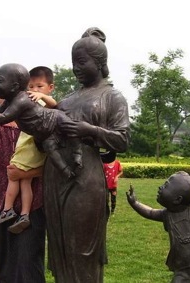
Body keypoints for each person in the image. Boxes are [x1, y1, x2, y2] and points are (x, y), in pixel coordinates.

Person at [43, 27, 130, 283]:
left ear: (100, 63)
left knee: (82, 249)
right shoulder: (67, 100)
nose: (76, 68)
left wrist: (88, 130)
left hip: (85, 179)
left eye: (82, 62)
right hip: (55, 176)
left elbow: (122, 139)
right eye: (73, 63)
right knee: (60, 248)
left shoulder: (112, 97)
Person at [0, 63, 83, 180]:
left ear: (15, 87)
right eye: (31, 86)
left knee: (69, 131)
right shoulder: (8, 107)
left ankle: (77, 154)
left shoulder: (28, 103)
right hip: (40, 138)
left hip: (52, 125)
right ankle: (68, 170)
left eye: (0, 81)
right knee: (51, 148)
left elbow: (5, 116)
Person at [0, 92, 46, 282]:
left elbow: (52, 165)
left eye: (13, 93)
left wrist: (25, 174)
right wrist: (5, 109)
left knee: (29, 261)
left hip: (32, 204)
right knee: (2, 261)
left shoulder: (39, 126)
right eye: (2, 94)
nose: (8, 98)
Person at [126, 172, 190, 283]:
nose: (160, 187)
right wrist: (135, 203)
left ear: (177, 199)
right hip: (183, 267)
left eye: (166, 186)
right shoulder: (167, 214)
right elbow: (150, 212)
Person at [0, 66, 56, 234]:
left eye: (39, 86)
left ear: (50, 88)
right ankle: (23, 214)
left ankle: (8, 209)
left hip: (30, 150)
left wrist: (42, 96)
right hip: (26, 150)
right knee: (23, 182)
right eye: (31, 87)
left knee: (15, 176)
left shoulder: (41, 103)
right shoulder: (26, 105)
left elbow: (55, 104)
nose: (34, 90)